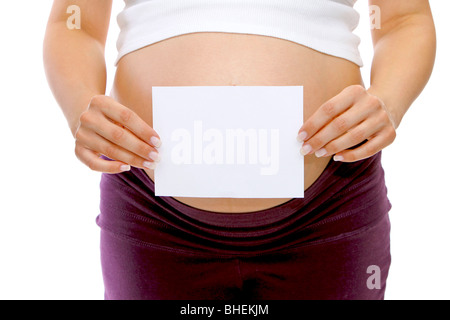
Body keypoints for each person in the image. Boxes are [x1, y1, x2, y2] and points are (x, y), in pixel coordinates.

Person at [43, 0, 436, 300]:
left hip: (330, 205)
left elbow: (404, 18)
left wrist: (389, 100)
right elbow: (74, 22)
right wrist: (80, 106)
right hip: (150, 209)